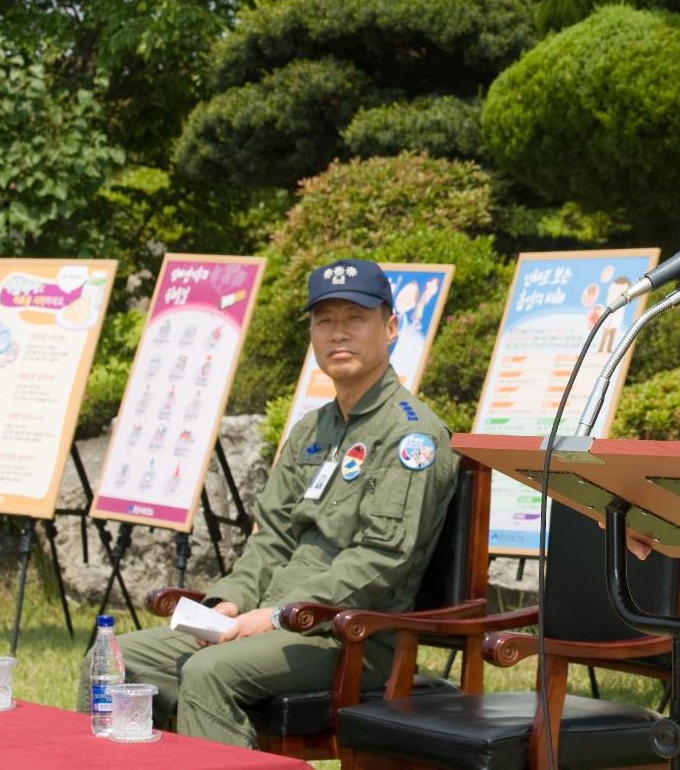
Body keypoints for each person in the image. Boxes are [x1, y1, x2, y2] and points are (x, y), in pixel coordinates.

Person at [79, 258, 457, 748]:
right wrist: (226, 604)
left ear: (390, 328)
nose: (338, 333)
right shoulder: (312, 430)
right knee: (112, 657)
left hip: (347, 636)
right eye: (324, 321)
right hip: (268, 621)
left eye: (355, 318)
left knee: (210, 672)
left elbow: (381, 561)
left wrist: (275, 613)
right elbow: (272, 539)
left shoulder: (411, 435)